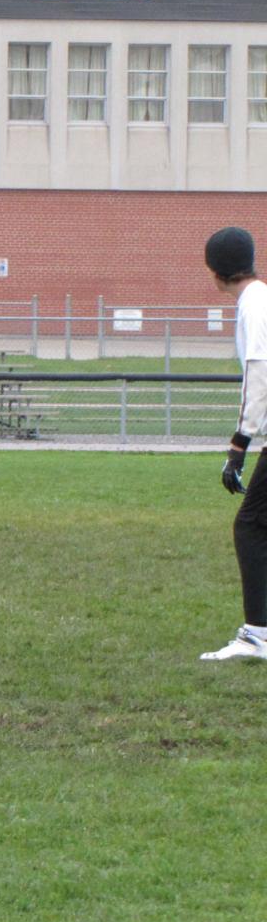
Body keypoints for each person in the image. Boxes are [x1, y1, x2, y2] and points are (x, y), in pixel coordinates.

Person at [202, 226, 267, 660]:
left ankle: (256, 634)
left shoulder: (254, 306)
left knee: (250, 526)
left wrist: (239, 443)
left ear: (215, 271)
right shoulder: (260, 298)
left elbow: (259, 374)